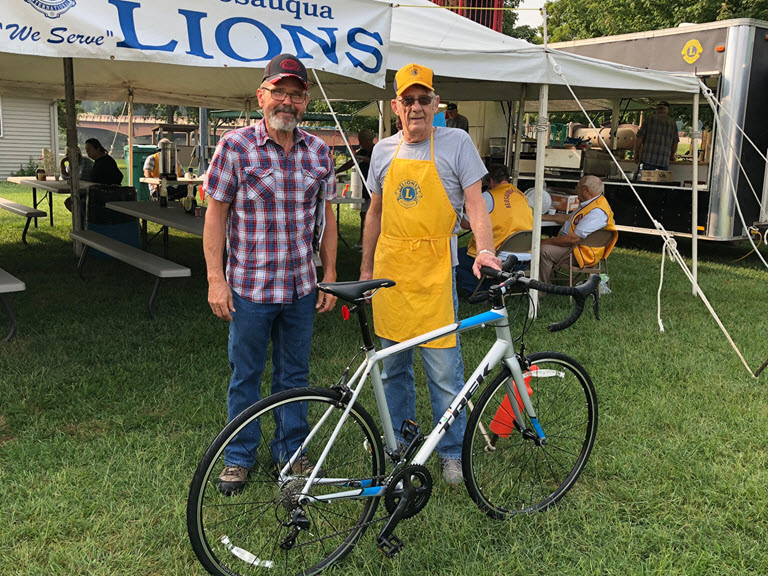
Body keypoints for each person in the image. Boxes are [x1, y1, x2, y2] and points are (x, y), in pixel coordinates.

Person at [203, 53, 338, 496]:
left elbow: (327, 218)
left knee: (294, 376)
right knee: (245, 374)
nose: (287, 102)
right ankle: (239, 457)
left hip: (301, 287)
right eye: (279, 92)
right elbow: (215, 215)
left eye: (296, 95)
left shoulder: (319, 152)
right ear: (261, 96)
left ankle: (291, 453)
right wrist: (216, 279)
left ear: (306, 102)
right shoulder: (235, 147)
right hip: (250, 288)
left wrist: (329, 273)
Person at [360, 63, 499, 485]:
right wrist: (365, 268)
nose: (416, 107)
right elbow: (375, 213)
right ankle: (402, 442)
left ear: (436, 104)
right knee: (393, 368)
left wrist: (486, 249)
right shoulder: (383, 151)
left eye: (424, 99)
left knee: (444, 371)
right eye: (409, 100)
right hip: (391, 272)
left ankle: (451, 451)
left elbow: (475, 204)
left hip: (436, 271)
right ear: (395, 106)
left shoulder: (457, 143)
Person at [457, 164, 533, 294]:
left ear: (491, 181)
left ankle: (479, 292)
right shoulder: (521, 195)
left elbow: (466, 224)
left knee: (455, 258)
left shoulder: (489, 196)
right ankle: (490, 284)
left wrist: (456, 212)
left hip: (500, 256)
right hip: (526, 255)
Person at [538, 175, 617, 285]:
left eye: (577, 187)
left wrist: (543, 241)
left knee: (543, 250)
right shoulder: (593, 203)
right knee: (542, 245)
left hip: (581, 254)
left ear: (586, 191)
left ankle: (540, 288)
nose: (575, 190)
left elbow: (573, 239)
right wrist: (541, 216)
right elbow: (570, 218)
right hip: (577, 248)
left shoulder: (597, 212)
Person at [336, 129, 376, 248]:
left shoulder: (377, 150)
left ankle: (371, 242)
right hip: (366, 187)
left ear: (368, 141)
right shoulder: (362, 151)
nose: (360, 144)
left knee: (371, 215)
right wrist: (336, 172)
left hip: (376, 189)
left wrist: (366, 160)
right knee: (363, 214)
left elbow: (379, 164)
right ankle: (362, 241)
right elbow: (351, 163)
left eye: (361, 141)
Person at [634, 101, 679, 170]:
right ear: (667, 111)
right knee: (661, 177)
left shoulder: (648, 120)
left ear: (656, 110)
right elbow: (675, 142)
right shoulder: (672, 123)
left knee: (645, 177)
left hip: (647, 159)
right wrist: (672, 155)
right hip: (664, 160)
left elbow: (639, 139)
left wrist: (636, 153)